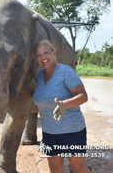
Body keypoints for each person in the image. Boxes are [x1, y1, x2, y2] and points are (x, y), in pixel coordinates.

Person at [32, 40, 92, 173]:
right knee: (55, 169)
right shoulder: (40, 76)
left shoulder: (66, 72)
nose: (43, 58)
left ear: (54, 52)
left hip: (72, 131)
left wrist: (64, 104)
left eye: (46, 53)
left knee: (78, 168)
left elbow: (83, 96)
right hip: (49, 132)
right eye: (39, 55)